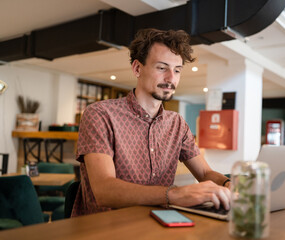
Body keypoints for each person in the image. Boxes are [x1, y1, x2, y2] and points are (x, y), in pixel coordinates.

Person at [71, 28, 231, 217]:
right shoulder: (100, 114)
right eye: (162, 68)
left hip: (160, 224)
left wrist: (230, 184)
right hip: (106, 228)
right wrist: (174, 194)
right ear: (137, 69)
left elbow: (205, 174)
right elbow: (104, 190)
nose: (171, 78)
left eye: (177, 70)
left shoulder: (177, 123)